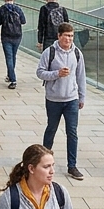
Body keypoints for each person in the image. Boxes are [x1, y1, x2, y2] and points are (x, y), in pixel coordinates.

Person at [37, 23, 86, 181]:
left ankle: (72, 165)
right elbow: (40, 72)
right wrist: (57, 74)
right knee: (51, 129)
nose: (69, 39)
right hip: (53, 99)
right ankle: (42, 160)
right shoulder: (49, 52)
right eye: (66, 35)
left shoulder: (77, 53)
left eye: (71, 36)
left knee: (72, 132)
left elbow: (81, 76)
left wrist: (82, 96)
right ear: (59, 36)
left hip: (71, 99)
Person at [0, 0, 27, 89]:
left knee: (9, 57)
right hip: (17, 35)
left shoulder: (1, 9)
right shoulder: (18, 9)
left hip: (6, 35)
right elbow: (23, 21)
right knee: (13, 56)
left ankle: (13, 79)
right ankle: (10, 75)